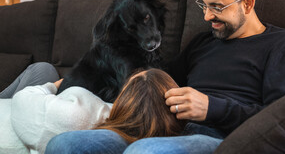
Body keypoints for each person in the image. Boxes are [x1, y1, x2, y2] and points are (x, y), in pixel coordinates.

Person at [45, 0, 285, 154]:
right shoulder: (203, 42)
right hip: (161, 127)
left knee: (147, 152)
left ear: (248, 3)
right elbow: (159, 78)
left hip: (225, 137)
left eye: (217, 7)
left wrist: (211, 108)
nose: (207, 16)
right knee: (65, 143)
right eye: (204, 5)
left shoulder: (284, 45)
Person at [0, 65, 185, 154]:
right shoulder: (152, 133)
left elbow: (22, 98)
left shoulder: (75, 118)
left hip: (9, 112)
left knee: (43, 68)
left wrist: (54, 86)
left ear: (126, 96)